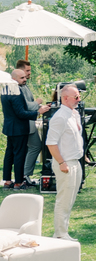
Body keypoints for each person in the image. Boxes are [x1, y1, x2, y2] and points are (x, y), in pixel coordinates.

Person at [45, 84, 85, 240]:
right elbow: (51, 143)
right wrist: (62, 163)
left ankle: (64, 231)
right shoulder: (60, 117)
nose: (79, 99)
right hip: (65, 162)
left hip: (76, 161)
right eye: (76, 97)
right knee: (64, 199)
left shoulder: (74, 114)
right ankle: (60, 234)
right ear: (65, 98)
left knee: (71, 198)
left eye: (79, 96)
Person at [2, 60, 48, 188]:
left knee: (9, 154)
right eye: (21, 78)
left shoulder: (5, 90)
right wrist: (38, 113)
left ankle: (7, 181)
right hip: (19, 128)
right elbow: (21, 113)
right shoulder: (16, 92)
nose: (25, 79)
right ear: (14, 79)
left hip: (10, 127)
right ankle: (18, 182)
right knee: (19, 154)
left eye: (24, 77)